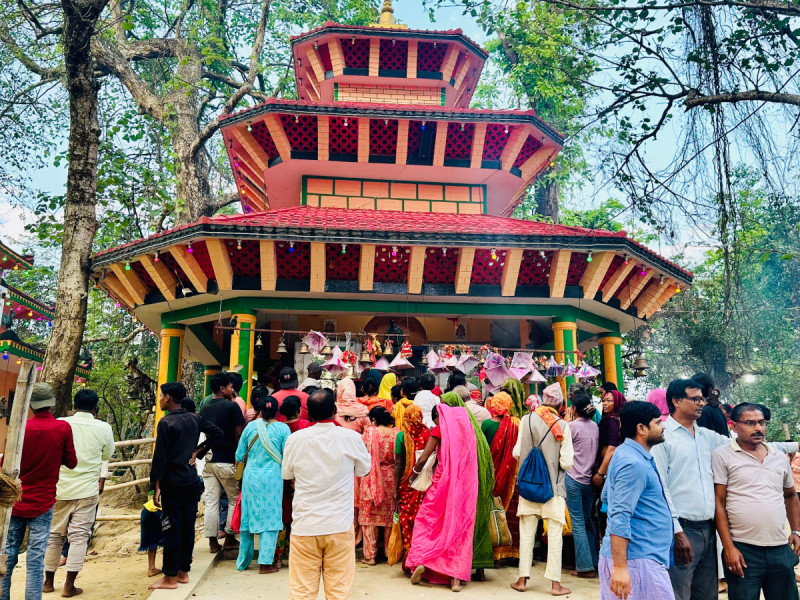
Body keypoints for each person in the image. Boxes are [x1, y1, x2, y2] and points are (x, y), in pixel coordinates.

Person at [282, 388, 371, 600]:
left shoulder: (296, 439)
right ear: (334, 410)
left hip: (305, 525)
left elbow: (287, 473)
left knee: (302, 592)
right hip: (339, 525)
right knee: (339, 592)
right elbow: (363, 470)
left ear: (309, 414)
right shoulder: (351, 438)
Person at [712, 403, 800, 600]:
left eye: (761, 422)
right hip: (743, 550)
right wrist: (729, 547)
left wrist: (796, 531)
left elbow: (790, 496)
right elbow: (719, 502)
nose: (758, 428)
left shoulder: (778, 457)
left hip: (780, 547)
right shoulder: (723, 455)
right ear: (733, 426)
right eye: (750, 423)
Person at [1, 383, 76, 600]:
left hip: (15, 502)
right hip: (43, 503)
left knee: (8, 554)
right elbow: (71, 462)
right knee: (35, 558)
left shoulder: (20, 427)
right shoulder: (62, 428)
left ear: (31, 406)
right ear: (51, 405)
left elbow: (6, 465)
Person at [148, 382, 223, 590]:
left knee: (171, 527)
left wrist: (154, 485)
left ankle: (170, 576)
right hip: (191, 481)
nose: (160, 399)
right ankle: (183, 572)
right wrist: (199, 450)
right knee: (187, 527)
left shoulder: (166, 423)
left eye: (162, 395)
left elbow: (160, 458)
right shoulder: (194, 417)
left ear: (169, 397)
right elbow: (218, 433)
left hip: (172, 482)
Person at [43, 389, 114, 597]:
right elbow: (107, 454)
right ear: (95, 408)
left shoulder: (60, 422)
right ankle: (69, 586)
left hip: (59, 489)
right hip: (86, 490)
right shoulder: (103, 427)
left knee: (54, 535)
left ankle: (48, 583)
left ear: (74, 405)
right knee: (79, 537)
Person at [599, 401, 673, 600]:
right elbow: (619, 515)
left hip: (638, 557)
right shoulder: (633, 462)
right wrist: (621, 567)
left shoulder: (626, 454)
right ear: (641, 428)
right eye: (658, 422)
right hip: (636, 560)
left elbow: (607, 497)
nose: (663, 426)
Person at [405, 404, 478, 592]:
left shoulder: (439, 429)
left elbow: (423, 459)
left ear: (438, 416)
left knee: (428, 522)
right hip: (464, 486)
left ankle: (423, 560)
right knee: (459, 527)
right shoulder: (466, 428)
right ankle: (455, 578)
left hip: (440, 483)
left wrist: (413, 476)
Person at [511, 382, 573, 596]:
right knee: (555, 536)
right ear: (559, 404)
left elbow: (517, 452)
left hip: (528, 487)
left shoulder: (526, 420)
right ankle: (555, 585)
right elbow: (566, 462)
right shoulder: (563, 426)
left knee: (526, 534)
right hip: (553, 490)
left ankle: (521, 579)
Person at [441, 391, 495, 577]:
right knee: (479, 522)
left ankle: (457, 571)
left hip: (465, 485)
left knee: (462, 524)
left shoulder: (456, 428)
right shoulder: (473, 427)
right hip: (480, 482)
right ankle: (480, 569)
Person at [234, 395, 290, 573]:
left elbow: (239, 455)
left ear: (260, 410)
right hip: (273, 479)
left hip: (250, 478)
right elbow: (287, 456)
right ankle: (265, 564)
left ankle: (243, 562)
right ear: (277, 411)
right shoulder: (283, 429)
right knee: (271, 519)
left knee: (248, 518)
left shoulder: (250, 427)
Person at [198, 371, 245, 553]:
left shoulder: (205, 408)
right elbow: (239, 433)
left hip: (209, 461)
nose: (232, 390)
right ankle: (230, 537)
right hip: (227, 460)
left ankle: (212, 542)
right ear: (222, 388)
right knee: (234, 499)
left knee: (211, 502)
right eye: (231, 387)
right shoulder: (231, 407)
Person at [482, 390, 521, 562]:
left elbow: (482, 450)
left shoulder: (486, 425)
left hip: (491, 473)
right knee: (511, 510)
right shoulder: (516, 425)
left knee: (491, 510)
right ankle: (512, 552)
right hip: (511, 473)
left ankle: (493, 550)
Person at [565, 392, 600, 579]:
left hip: (573, 478)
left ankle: (585, 566)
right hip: (588, 479)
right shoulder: (595, 426)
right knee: (587, 521)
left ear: (574, 409)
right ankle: (594, 561)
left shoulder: (571, 427)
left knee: (577, 523)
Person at [359, 407, 398, 565]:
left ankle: (370, 556)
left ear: (373, 420)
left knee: (369, 519)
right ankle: (389, 553)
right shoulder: (396, 433)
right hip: (390, 478)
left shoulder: (369, 433)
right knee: (389, 518)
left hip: (371, 476)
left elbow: (361, 452)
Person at [393, 405, 430, 560]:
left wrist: (395, 488)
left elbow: (398, 464)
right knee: (423, 518)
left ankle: (410, 554)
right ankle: (423, 553)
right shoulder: (429, 434)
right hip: (425, 482)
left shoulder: (402, 436)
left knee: (407, 519)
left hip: (407, 483)